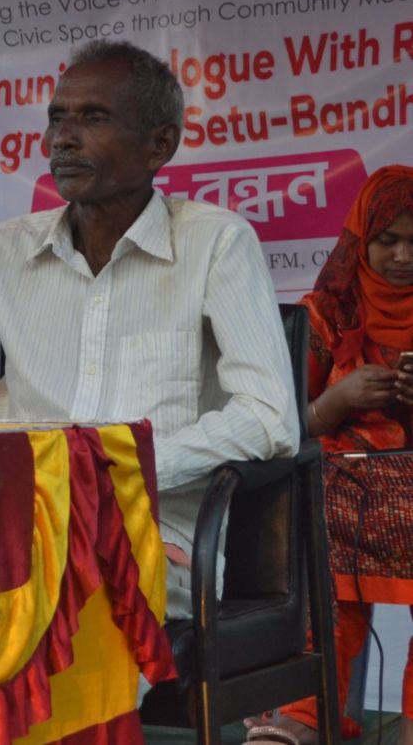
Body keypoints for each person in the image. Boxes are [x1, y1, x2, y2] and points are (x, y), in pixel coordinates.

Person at [0, 39, 296, 619]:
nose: (63, 139)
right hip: (9, 529)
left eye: (94, 118)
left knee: (58, 605)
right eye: (57, 119)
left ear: (160, 145)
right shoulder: (1, 252)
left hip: (150, 536)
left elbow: (268, 416)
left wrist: (123, 468)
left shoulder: (216, 244)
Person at [248, 166, 413, 745]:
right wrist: (338, 401)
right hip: (342, 496)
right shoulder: (324, 314)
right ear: (359, 241)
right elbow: (278, 427)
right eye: (387, 240)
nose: (401, 256)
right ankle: (303, 717)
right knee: (328, 597)